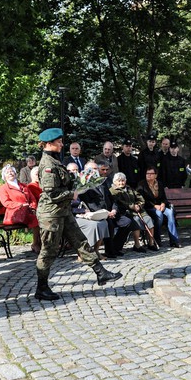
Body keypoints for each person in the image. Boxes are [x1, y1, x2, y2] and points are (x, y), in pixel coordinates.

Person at [34, 128, 122, 300]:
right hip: (51, 215)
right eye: (58, 142)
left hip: (63, 212)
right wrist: (71, 194)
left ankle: (101, 273)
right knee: (48, 251)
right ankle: (41, 288)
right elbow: (51, 194)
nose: (61, 144)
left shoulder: (55, 160)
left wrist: (80, 183)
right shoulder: (48, 165)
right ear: (49, 144)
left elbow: (63, 184)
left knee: (80, 241)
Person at [78, 162, 130, 258]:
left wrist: (114, 210)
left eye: (95, 169)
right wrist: (106, 213)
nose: (94, 171)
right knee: (108, 223)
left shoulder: (102, 182)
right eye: (91, 169)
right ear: (86, 171)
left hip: (111, 212)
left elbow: (112, 199)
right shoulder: (84, 185)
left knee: (127, 222)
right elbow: (90, 204)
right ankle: (109, 251)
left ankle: (116, 247)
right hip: (98, 214)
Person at [110, 172, 157, 252]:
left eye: (123, 180)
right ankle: (137, 245)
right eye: (119, 181)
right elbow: (120, 202)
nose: (121, 182)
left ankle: (151, 243)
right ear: (114, 182)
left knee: (148, 219)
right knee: (136, 221)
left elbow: (140, 198)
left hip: (138, 210)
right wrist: (132, 206)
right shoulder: (113, 191)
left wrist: (139, 205)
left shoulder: (129, 188)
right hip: (126, 212)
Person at [0, 164, 41, 253]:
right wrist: (20, 205)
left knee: (41, 219)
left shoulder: (23, 186)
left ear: (15, 173)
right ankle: (36, 243)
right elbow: (6, 202)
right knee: (36, 219)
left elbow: (32, 199)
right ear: (4, 176)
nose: (10, 173)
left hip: (27, 213)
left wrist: (33, 207)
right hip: (14, 214)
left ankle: (39, 243)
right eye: (7, 172)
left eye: (12, 171)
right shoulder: (3, 188)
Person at [137, 167, 180, 247]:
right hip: (149, 207)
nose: (148, 175)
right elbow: (142, 200)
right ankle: (157, 239)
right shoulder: (141, 184)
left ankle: (174, 240)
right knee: (159, 214)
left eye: (151, 174)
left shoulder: (159, 184)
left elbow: (164, 197)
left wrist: (163, 204)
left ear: (155, 175)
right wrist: (154, 205)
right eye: (147, 173)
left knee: (170, 213)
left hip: (160, 206)